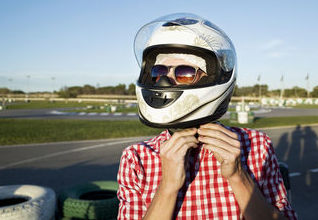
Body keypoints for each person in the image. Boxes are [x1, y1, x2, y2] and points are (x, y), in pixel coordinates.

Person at [117, 13, 298, 220]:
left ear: (214, 77)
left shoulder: (256, 145)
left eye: (184, 72)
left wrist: (238, 175)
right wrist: (167, 186)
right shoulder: (137, 157)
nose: (164, 82)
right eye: (159, 71)